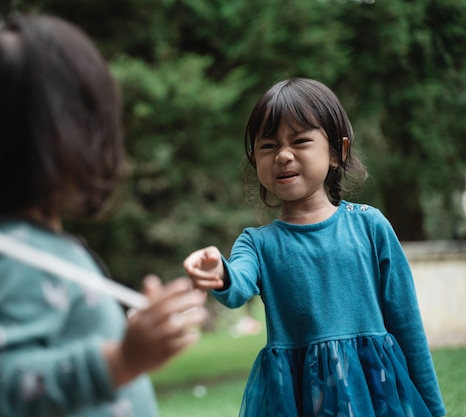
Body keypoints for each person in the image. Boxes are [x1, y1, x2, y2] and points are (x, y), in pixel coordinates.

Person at [0, 14, 208, 417]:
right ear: (56, 134)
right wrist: (120, 361)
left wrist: (134, 337)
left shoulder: (42, 247)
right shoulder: (13, 256)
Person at [183, 78, 446, 417]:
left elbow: (407, 324)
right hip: (297, 397)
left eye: (300, 141)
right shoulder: (258, 243)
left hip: (373, 393)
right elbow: (238, 285)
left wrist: (435, 410)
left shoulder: (370, 227)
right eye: (268, 146)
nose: (284, 155)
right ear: (254, 158)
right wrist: (219, 272)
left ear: (338, 152)